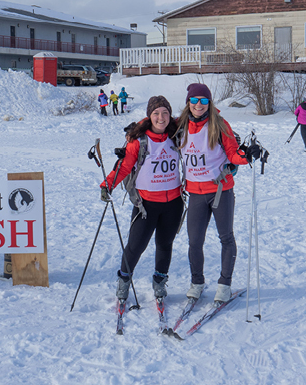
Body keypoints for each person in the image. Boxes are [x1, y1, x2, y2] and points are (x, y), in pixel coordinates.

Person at [176, 83, 262, 304]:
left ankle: (224, 284)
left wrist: (247, 156)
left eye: (204, 101)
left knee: (226, 237)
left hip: (220, 189)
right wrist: (137, 130)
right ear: (188, 102)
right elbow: (157, 125)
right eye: (194, 100)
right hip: (195, 192)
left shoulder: (220, 125)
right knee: (194, 241)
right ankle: (197, 282)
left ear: (210, 103)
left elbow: (233, 154)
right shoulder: (179, 125)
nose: (198, 105)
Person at [100, 96, 183, 303]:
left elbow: (198, 117)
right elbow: (125, 166)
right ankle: (124, 281)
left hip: (173, 203)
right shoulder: (139, 141)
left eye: (165, 113)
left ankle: (159, 282)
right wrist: (107, 184)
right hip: (146, 205)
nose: (161, 117)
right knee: (135, 246)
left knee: (165, 244)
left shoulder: (177, 135)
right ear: (149, 116)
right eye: (156, 113)